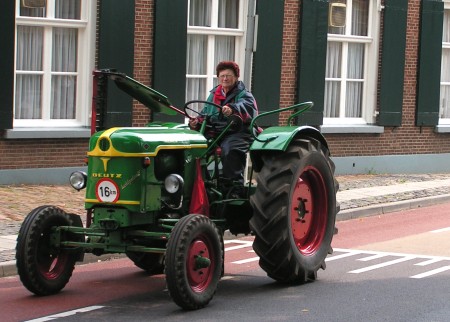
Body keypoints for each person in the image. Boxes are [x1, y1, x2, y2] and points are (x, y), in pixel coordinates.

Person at [189, 61, 258, 191]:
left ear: (236, 77)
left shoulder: (244, 94)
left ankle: (234, 187)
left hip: (238, 132)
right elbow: (205, 113)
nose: (225, 78)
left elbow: (246, 107)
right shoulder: (214, 95)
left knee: (229, 149)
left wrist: (232, 109)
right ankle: (202, 184)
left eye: (228, 75)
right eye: (222, 76)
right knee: (194, 149)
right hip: (216, 132)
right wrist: (196, 122)